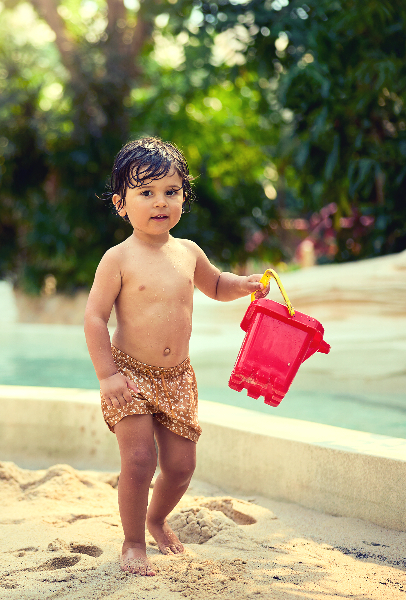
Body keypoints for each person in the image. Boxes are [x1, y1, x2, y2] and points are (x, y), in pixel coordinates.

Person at [84, 137, 270, 576]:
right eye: (145, 193)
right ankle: (133, 542)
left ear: (184, 196)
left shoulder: (188, 251)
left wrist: (240, 285)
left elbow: (216, 285)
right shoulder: (119, 258)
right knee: (140, 460)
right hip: (128, 373)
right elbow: (94, 318)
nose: (160, 202)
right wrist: (107, 374)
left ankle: (156, 519)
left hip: (177, 377)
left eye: (170, 191)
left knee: (182, 467)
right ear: (120, 204)